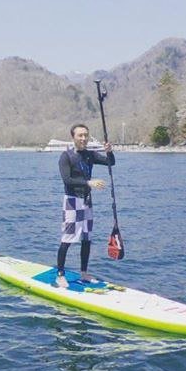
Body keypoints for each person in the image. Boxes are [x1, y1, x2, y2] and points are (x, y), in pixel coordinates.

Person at [55, 123, 115, 289]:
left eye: (85, 135)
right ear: (73, 137)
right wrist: (89, 182)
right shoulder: (66, 156)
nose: (83, 138)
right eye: (80, 135)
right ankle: (60, 275)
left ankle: (84, 272)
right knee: (67, 239)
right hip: (72, 201)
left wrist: (109, 151)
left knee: (87, 239)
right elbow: (67, 180)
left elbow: (111, 163)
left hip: (87, 202)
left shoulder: (90, 155)